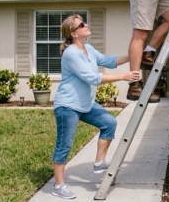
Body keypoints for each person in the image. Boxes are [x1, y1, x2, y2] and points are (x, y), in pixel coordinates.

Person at [51, 14, 140, 199]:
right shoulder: (71, 54)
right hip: (67, 106)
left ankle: (99, 162)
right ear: (74, 33)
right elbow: (92, 78)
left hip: (86, 104)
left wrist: (135, 54)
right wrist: (124, 77)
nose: (86, 25)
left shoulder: (88, 48)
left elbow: (108, 61)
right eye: (82, 24)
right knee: (64, 145)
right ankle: (58, 186)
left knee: (109, 123)